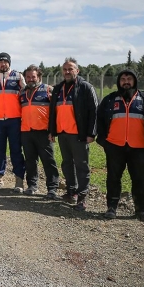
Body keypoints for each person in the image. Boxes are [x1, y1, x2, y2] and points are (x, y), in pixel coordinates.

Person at [97, 69, 144, 222]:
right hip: (115, 145)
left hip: (139, 147)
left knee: (140, 179)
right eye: (123, 79)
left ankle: (142, 210)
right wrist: (103, 140)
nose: (126, 82)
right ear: (118, 82)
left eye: (129, 79)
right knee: (113, 178)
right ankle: (111, 208)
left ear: (135, 81)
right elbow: (99, 118)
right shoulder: (110, 99)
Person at [48, 57, 98, 211]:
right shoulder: (58, 88)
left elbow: (94, 111)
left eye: (70, 69)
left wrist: (92, 133)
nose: (67, 72)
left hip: (79, 135)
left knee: (82, 166)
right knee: (67, 164)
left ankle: (82, 198)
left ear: (77, 70)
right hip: (63, 133)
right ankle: (71, 192)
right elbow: (53, 112)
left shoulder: (85, 87)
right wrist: (52, 131)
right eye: (65, 69)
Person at [19, 65, 60, 198]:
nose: (30, 79)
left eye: (33, 77)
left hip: (43, 132)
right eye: (28, 77)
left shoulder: (48, 90)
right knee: (30, 161)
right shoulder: (22, 93)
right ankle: (32, 185)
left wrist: (52, 130)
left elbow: (56, 112)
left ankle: (52, 188)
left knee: (48, 160)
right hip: (26, 132)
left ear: (39, 77)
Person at [0, 52, 26, 191]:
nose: (3, 64)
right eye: (0, 62)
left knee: (16, 150)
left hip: (15, 119)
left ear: (9, 63)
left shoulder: (18, 76)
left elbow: (27, 93)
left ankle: (19, 181)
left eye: (5, 61)